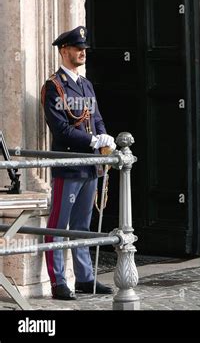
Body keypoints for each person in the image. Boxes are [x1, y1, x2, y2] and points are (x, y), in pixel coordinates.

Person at [41, 26, 115, 299]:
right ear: (64, 51)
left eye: (83, 48)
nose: (83, 52)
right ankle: (58, 281)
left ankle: (85, 278)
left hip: (90, 164)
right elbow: (60, 129)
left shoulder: (86, 85)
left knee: (83, 226)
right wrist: (91, 141)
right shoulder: (54, 86)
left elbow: (95, 118)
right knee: (59, 225)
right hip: (69, 163)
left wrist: (103, 136)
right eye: (77, 48)